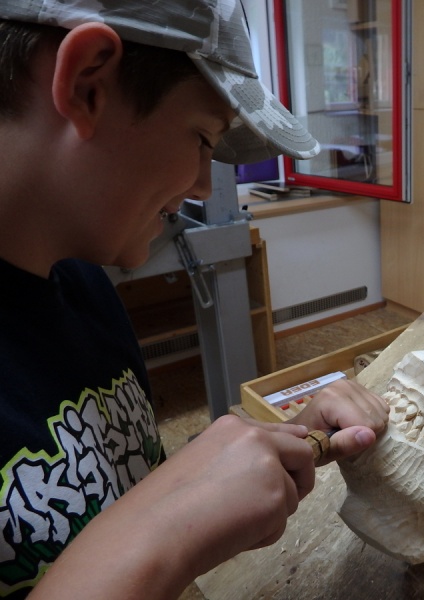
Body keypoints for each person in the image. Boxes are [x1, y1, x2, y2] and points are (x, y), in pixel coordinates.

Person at [0, 1, 389, 598]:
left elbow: (112, 502)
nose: (205, 186)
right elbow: (144, 532)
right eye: (204, 139)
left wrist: (283, 444)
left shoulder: (81, 284)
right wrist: (165, 534)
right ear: (86, 84)